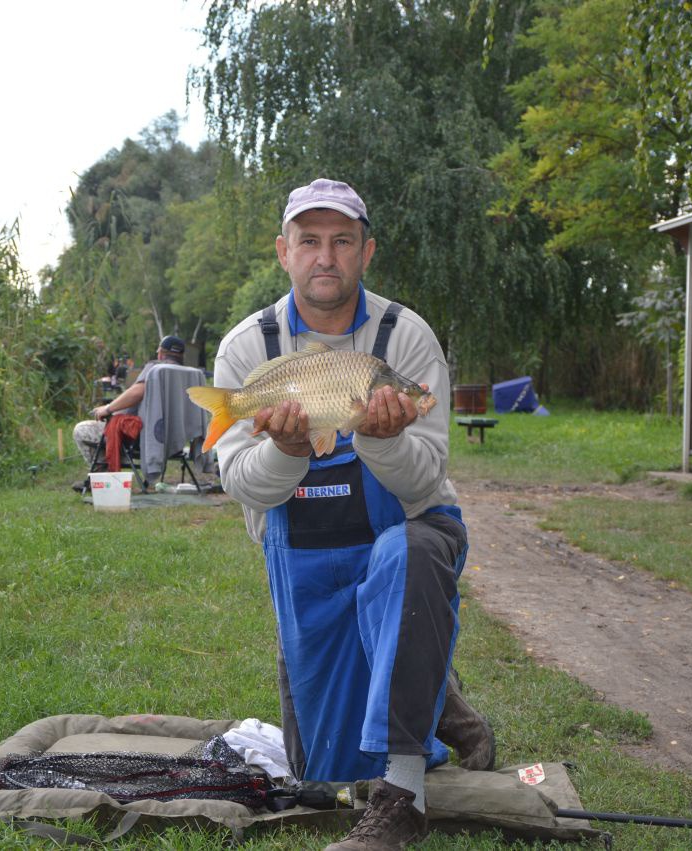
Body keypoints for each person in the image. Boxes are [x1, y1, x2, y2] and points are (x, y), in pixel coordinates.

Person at [212, 178, 494, 850]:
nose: (326, 256)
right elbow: (244, 486)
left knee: (411, 553)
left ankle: (402, 795)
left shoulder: (408, 337)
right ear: (285, 252)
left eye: (342, 241)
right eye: (310, 241)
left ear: (366, 251)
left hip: (406, 534)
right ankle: (440, 700)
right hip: (303, 550)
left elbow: (427, 478)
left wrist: (379, 434)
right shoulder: (248, 347)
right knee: (322, 773)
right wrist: (285, 448)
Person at [72, 336, 187, 488]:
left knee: (81, 429)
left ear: (160, 353)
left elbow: (137, 391)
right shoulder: (188, 374)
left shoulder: (157, 368)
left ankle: (103, 474)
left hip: (139, 437)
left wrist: (108, 408)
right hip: (173, 438)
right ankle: (111, 469)